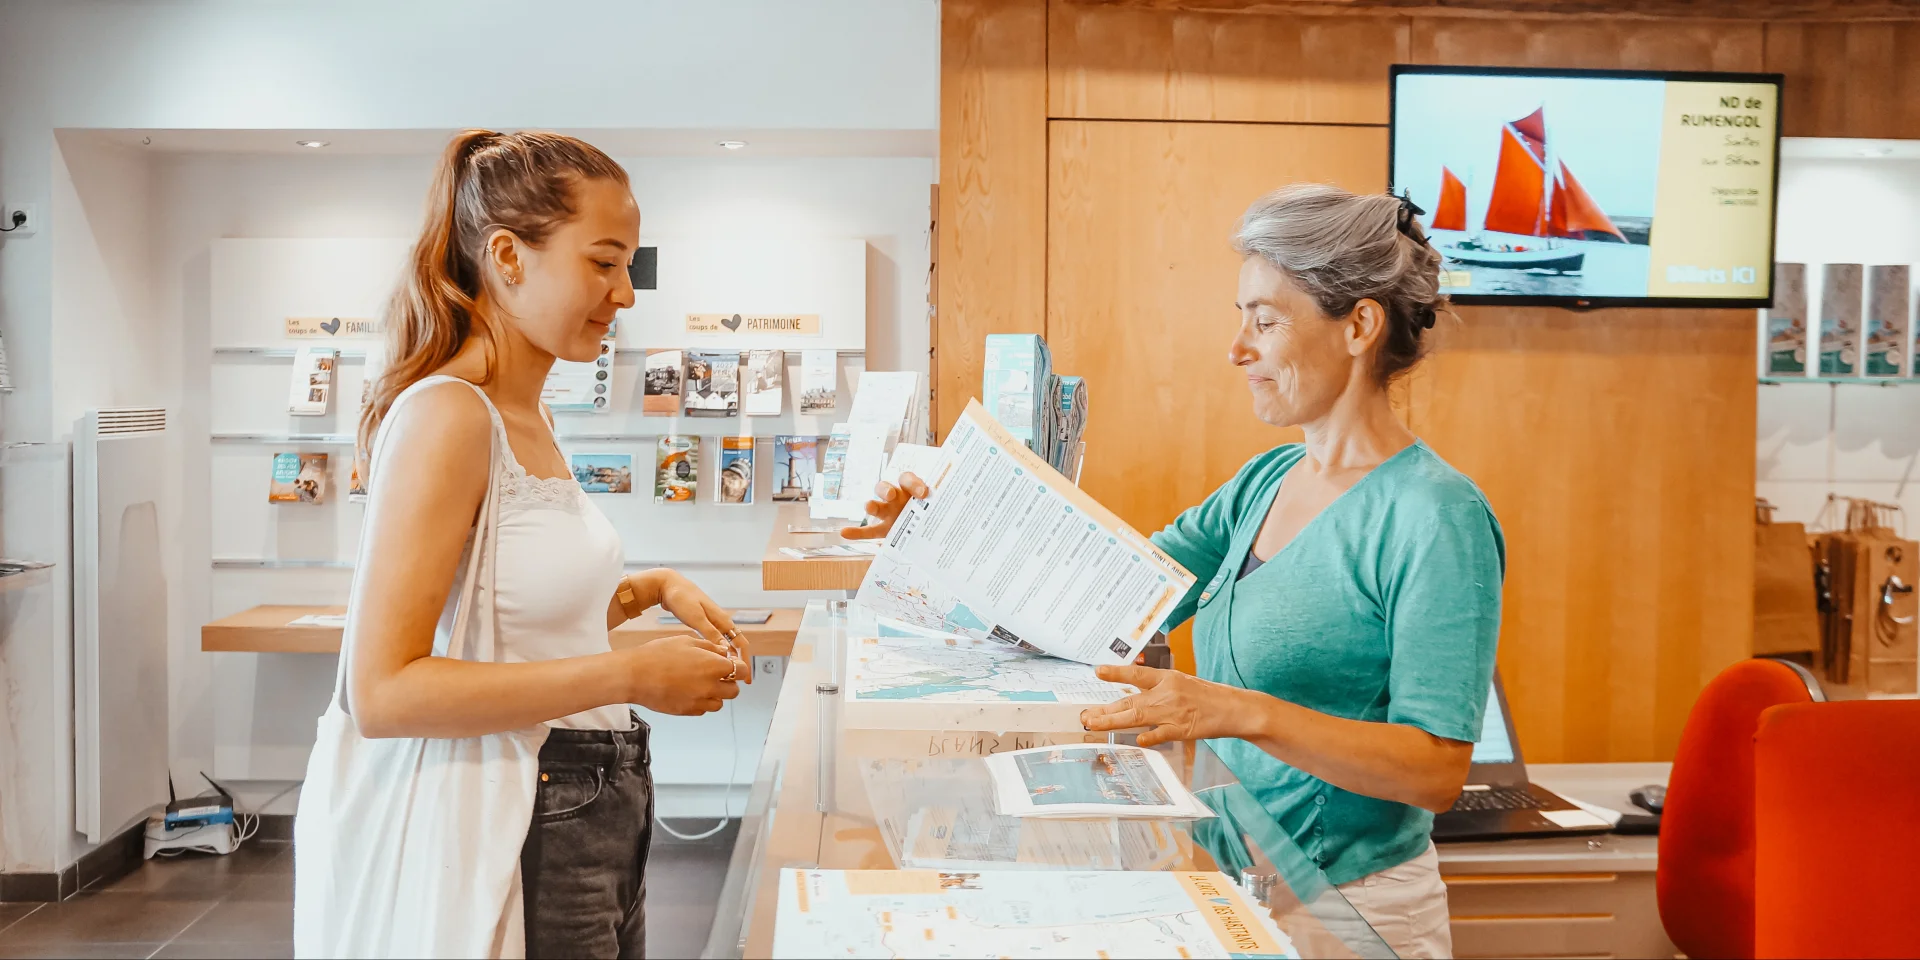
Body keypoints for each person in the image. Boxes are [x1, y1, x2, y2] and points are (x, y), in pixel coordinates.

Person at [851, 184, 1504, 959]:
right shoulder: (1265, 482)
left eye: (1265, 321)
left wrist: (1235, 711)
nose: (1237, 349)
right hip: (1237, 880)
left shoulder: (1436, 515)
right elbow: (1102, 598)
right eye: (1240, 319)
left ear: (1359, 325)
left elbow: (1435, 769)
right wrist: (935, 534)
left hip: (1353, 909)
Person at [295, 130, 747, 959]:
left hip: (594, 805)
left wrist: (648, 589)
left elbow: (510, 627)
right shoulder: (448, 416)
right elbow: (385, 692)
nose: (624, 294)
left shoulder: (529, 417)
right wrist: (630, 676)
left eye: (627, 266)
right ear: (507, 256)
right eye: (603, 263)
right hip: (526, 814)